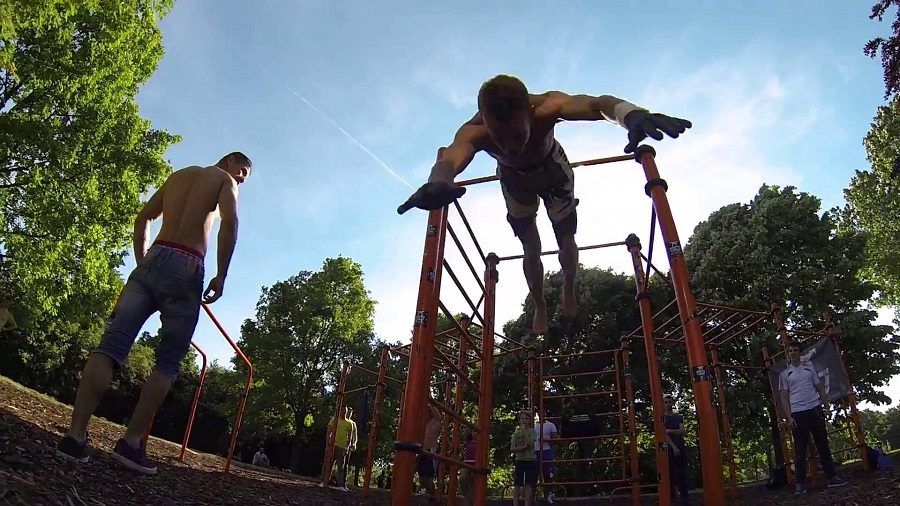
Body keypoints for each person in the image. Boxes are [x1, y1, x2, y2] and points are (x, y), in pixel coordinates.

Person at [398, 74, 691, 334]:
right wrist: (439, 181)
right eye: (500, 138)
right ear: (486, 122)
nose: (510, 145)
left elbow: (596, 104)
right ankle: (539, 304)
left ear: (530, 112)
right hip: (514, 179)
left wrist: (632, 115)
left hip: (553, 169)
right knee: (530, 247)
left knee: (566, 237)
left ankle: (569, 288)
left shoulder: (548, 108)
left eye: (517, 134)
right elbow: (451, 157)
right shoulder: (475, 131)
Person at [55, 152, 252, 475]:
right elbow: (229, 223)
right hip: (187, 264)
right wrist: (221, 275)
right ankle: (131, 442)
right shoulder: (223, 180)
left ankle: (74, 437)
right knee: (169, 360)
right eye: (242, 170)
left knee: (110, 346)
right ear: (229, 162)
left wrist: (142, 260)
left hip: (153, 258)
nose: (242, 178)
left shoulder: (180, 175)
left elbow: (143, 218)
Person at [777, 341, 847, 494]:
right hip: (798, 412)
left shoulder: (810, 368)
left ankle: (832, 477)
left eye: (796, 350)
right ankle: (800, 484)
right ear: (788, 354)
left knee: (823, 445)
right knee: (800, 450)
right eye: (790, 351)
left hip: (815, 409)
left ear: (800, 353)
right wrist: (789, 417)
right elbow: (783, 397)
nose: (793, 353)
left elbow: (820, 388)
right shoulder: (784, 375)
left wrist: (827, 406)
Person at [663, 395, 691, 505]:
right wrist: (674, 447)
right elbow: (664, 434)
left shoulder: (678, 416)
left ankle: (685, 497)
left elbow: (682, 431)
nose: (668, 404)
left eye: (670, 401)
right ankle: (673, 497)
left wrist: (669, 430)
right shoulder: (663, 418)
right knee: (670, 474)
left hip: (680, 446)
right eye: (666, 402)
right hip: (670, 449)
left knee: (683, 473)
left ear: (673, 402)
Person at [511, 410, 537, 506]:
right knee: (517, 483)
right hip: (520, 460)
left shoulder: (532, 431)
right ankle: (515, 504)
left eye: (526, 418)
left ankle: (527, 504)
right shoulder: (516, 433)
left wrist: (525, 433)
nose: (524, 420)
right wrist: (521, 448)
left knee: (528, 484)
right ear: (519, 421)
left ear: (530, 421)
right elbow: (512, 448)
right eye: (522, 418)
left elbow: (531, 444)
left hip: (530, 459)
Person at [327, 405, 354, 491]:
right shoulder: (334, 420)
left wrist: (347, 447)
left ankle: (340, 485)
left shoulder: (350, 423)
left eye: (345, 411)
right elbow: (329, 432)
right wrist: (328, 444)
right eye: (342, 410)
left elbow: (350, 437)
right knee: (329, 464)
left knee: (341, 467)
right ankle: (325, 481)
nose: (344, 412)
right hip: (333, 445)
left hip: (342, 447)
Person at [419, 404, 442, 503]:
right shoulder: (424, 423)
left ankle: (435, 497)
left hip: (431, 450)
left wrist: (429, 402)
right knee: (422, 478)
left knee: (428, 477)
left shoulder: (436, 421)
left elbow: (439, 416)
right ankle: (432, 495)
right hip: (422, 451)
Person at [534, 410, 558, 504]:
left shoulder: (550, 425)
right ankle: (534, 495)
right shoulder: (534, 425)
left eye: (543, 412)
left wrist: (546, 440)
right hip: (535, 451)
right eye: (540, 413)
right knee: (534, 473)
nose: (541, 414)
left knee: (548, 473)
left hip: (546, 450)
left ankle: (549, 495)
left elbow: (555, 439)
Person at [460, 432, 477, 506]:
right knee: (462, 478)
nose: (475, 433)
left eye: (476, 432)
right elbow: (460, 448)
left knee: (472, 483)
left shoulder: (481, 441)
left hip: (476, 463)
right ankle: (466, 496)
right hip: (466, 462)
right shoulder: (468, 441)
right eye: (474, 431)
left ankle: (470, 502)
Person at [344, 406, 359, 486]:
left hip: (348, 445)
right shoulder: (342, 420)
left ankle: (343, 483)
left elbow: (355, 435)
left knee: (346, 464)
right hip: (340, 443)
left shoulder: (353, 423)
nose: (349, 414)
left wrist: (354, 443)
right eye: (348, 412)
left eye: (350, 412)